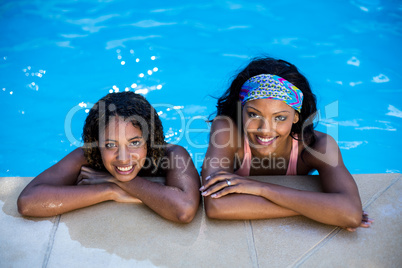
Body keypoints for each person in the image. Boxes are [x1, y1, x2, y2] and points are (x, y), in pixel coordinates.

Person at [200, 57, 372, 231]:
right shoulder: (226, 131)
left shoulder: (317, 146)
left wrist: (261, 189)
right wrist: (318, 208)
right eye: (253, 115)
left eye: (280, 118)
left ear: (296, 117)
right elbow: (216, 206)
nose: (265, 130)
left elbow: (350, 213)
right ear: (241, 109)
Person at [18, 92, 200, 223]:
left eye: (135, 143)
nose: (123, 157)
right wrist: (110, 190)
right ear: (97, 143)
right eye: (111, 145)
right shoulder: (87, 156)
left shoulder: (172, 154)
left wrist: (123, 182)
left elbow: (184, 210)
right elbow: (28, 202)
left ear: (150, 140)